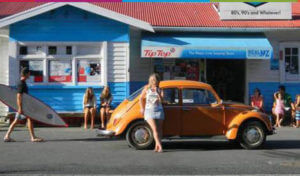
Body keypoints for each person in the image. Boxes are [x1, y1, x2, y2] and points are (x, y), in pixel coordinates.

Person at [3, 68, 43, 142]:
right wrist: (20, 108)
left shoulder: (22, 82)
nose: (29, 75)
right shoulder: (21, 83)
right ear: (26, 74)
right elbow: (19, 96)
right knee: (20, 120)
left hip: (24, 105)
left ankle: (7, 136)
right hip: (23, 106)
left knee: (23, 120)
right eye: (29, 73)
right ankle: (32, 137)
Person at [140, 73, 164, 153]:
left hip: (159, 110)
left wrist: (158, 94)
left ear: (158, 81)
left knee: (159, 130)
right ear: (150, 80)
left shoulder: (160, 89)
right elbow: (140, 99)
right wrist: (142, 108)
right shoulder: (146, 88)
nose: (154, 82)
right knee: (154, 129)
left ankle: (156, 146)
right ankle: (160, 145)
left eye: (156, 80)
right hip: (149, 110)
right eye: (153, 80)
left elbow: (161, 101)